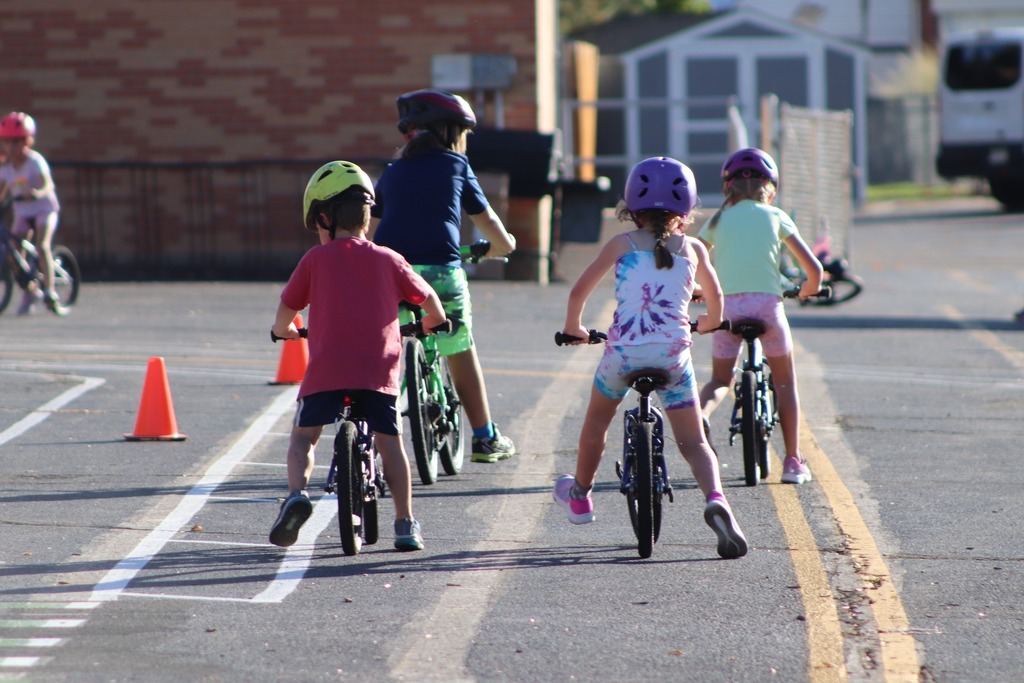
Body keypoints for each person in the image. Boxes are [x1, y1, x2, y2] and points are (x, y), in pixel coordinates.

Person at [552, 157, 748, 560]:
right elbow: (716, 301)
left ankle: (581, 496)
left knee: (596, 423)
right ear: (687, 210)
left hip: (622, 357)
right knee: (693, 442)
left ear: (630, 207)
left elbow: (578, 293)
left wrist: (576, 328)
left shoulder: (620, 245)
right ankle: (716, 499)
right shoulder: (693, 249)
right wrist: (708, 324)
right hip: (673, 359)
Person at [269, 160, 447, 551]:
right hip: (378, 372)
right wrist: (435, 321)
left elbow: (285, 313)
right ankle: (405, 523)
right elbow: (428, 299)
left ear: (324, 218)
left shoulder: (314, 261)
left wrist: (286, 332)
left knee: (304, 438)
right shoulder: (389, 258)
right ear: (367, 217)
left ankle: (297, 494)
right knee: (390, 444)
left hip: (327, 372)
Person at [371, 88, 518, 464]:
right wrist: (505, 245)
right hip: (439, 273)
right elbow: (487, 222)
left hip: (392, 274)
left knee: (386, 353)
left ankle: (371, 444)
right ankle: (485, 438)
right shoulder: (456, 166)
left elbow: (371, 230)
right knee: (459, 350)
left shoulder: (391, 173)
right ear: (452, 132)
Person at [696, 147, 823, 485]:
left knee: (721, 380)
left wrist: (698, 291)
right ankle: (793, 461)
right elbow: (814, 269)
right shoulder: (777, 216)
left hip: (726, 310)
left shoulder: (716, 221)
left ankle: (701, 415)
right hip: (767, 308)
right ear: (772, 188)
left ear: (727, 188)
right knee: (785, 383)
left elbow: (693, 261)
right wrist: (809, 289)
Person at [0, 112, 67, 316]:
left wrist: (37, 192)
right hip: (22, 212)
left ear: (27, 141)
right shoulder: (5, 168)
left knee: (42, 245)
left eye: (17, 142)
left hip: (43, 209)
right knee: (13, 254)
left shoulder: (34, 162)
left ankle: (50, 291)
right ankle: (30, 290)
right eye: (7, 142)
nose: (11, 148)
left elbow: (48, 185)